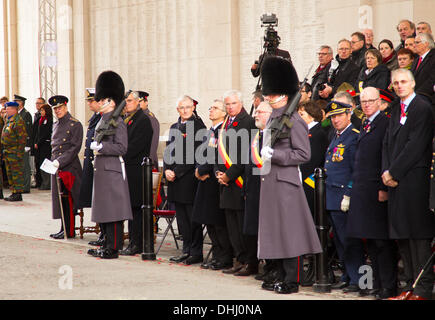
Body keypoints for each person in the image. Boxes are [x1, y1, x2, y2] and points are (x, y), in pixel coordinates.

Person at [258, 56, 322, 294]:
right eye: (268, 94)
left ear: (284, 95)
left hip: (286, 183)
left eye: (272, 95)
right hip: (271, 182)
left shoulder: (294, 120)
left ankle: (293, 279)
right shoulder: (274, 117)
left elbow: (303, 154)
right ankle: (280, 274)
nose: (268, 97)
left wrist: (275, 155)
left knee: (290, 232)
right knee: (276, 230)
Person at [382, 69, 435, 300]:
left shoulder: (422, 108)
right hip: (395, 182)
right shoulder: (396, 108)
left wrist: (394, 171)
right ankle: (409, 287)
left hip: (414, 180)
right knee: (402, 234)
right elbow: (387, 143)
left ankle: (422, 290)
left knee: (418, 236)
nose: (399, 85)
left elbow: (416, 145)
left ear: (413, 84)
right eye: (395, 83)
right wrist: (385, 173)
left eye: (404, 81)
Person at [346, 87, 397, 300]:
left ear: (380, 102)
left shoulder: (384, 123)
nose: (366, 104)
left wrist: (383, 188)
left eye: (370, 101)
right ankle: (376, 283)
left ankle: (388, 286)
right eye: (363, 101)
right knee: (371, 242)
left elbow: (386, 157)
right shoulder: (365, 124)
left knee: (382, 242)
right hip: (362, 191)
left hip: (376, 190)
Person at [87, 71, 133, 259]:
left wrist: (102, 146)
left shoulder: (118, 122)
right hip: (102, 169)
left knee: (113, 211)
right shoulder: (103, 120)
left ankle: (113, 248)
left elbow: (122, 147)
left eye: (104, 99)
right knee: (104, 209)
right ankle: (105, 243)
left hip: (112, 169)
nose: (100, 102)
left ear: (112, 102)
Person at [215, 90, 258, 276]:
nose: (230, 107)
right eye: (228, 104)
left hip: (238, 181)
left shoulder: (248, 122)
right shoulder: (225, 123)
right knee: (231, 225)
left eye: (233, 103)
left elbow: (245, 154)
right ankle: (239, 259)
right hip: (225, 182)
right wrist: (218, 171)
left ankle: (250, 261)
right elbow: (218, 150)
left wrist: (228, 175)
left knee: (242, 226)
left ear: (240, 104)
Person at [324, 99, 365, 293]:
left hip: (343, 197)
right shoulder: (336, 136)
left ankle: (357, 279)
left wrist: (348, 193)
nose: (335, 120)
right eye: (332, 116)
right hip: (331, 195)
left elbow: (355, 169)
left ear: (349, 114)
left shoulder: (353, 136)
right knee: (340, 241)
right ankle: (348, 276)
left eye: (339, 115)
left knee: (350, 241)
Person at [164, 95, 206, 265]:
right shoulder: (175, 127)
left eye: (188, 107)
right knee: (182, 219)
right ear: (177, 110)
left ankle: (195, 252)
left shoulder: (199, 127)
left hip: (189, 179)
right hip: (175, 180)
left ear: (193, 108)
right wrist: (167, 169)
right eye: (182, 107)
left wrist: (176, 172)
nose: (185, 110)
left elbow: (194, 155)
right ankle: (186, 250)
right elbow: (168, 151)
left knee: (192, 218)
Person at [192, 99, 233, 270]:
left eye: (215, 108)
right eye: (211, 107)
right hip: (204, 180)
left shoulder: (224, 131)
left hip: (214, 180)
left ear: (224, 113)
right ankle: (216, 254)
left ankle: (225, 257)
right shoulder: (210, 131)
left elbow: (217, 156)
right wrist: (198, 169)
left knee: (218, 223)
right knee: (208, 221)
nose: (211, 110)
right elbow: (202, 154)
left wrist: (203, 170)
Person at [119, 91, 153, 256]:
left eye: (130, 101)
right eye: (126, 101)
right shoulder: (128, 119)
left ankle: (136, 243)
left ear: (139, 102)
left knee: (136, 209)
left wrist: (119, 154)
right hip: (128, 169)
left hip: (137, 170)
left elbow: (135, 146)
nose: (127, 104)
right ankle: (132, 241)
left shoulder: (143, 120)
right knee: (130, 208)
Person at [242, 101, 272, 278]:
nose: (255, 114)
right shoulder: (256, 136)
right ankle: (253, 263)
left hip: (267, 189)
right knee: (252, 230)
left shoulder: (273, 135)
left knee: (267, 230)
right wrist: (245, 190)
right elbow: (248, 165)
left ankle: (270, 266)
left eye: (260, 112)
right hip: (253, 189)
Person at [49, 95, 83, 240]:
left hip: (69, 167)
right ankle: (63, 227)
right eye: (55, 109)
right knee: (60, 200)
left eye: (60, 108)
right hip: (57, 166)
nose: (58, 111)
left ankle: (69, 230)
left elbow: (74, 148)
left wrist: (60, 161)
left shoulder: (75, 124)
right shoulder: (55, 124)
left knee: (68, 199)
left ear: (66, 106)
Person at [77, 88, 104, 247]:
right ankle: (101, 231)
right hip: (92, 164)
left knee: (100, 200)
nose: (89, 104)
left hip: (99, 164)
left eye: (91, 101)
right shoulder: (95, 118)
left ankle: (103, 233)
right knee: (96, 199)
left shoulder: (104, 119)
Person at [298, 101, 329, 216]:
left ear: (312, 115)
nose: (298, 118)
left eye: (302, 115)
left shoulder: (318, 133)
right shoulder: (305, 132)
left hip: (310, 182)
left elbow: (312, 160)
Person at [1, 101, 27, 202]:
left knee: (17, 174)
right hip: (8, 151)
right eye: (6, 108)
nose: (6, 110)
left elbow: (22, 138)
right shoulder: (9, 120)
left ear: (14, 110)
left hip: (15, 152)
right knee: (10, 174)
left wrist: (19, 153)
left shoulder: (18, 121)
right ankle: (14, 192)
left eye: (9, 108)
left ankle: (18, 193)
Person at [410, 33, 435, 108]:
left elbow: (432, 80)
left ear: (426, 44)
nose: (414, 45)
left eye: (417, 42)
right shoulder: (416, 60)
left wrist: (416, 95)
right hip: (416, 99)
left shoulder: (433, 57)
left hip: (428, 100)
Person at [14, 95, 32, 193]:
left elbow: (28, 130)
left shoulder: (26, 114)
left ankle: (26, 186)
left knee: (25, 166)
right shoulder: (18, 114)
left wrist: (27, 144)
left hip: (24, 144)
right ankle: (21, 185)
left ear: (21, 103)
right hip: (18, 144)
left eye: (17, 101)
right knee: (20, 166)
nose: (16, 103)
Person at [138, 91, 160, 169]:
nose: (137, 104)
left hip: (147, 163)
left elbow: (153, 145)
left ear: (146, 102)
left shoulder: (151, 119)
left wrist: (149, 163)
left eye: (139, 101)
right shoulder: (133, 119)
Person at [33, 103, 53, 190]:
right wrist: (36, 141)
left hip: (45, 145)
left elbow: (45, 133)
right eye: (40, 110)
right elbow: (38, 132)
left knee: (45, 163)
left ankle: (47, 183)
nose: (41, 112)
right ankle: (42, 182)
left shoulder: (48, 120)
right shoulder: (41, 120)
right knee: (40, 163)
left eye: (42, 110)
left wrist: (38, 142)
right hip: (40, 145)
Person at [32, 97, 45, 188]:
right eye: (36, 103)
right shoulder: (36, 114)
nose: (38, 105)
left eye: (40, 103)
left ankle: (43, 182)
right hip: (35, 141)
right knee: (36, 162)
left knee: (41, 162)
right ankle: (38, 181)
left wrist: (38, 141)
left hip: (42, 143)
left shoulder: (45, 116)